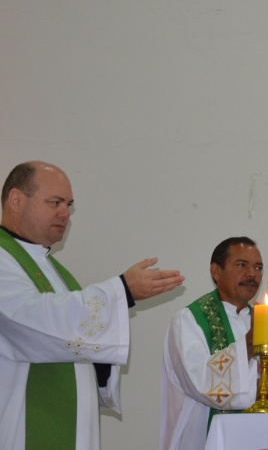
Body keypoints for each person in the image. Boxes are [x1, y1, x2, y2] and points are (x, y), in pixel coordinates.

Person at [0, 161, 185, 450]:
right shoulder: (4, 259)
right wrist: (123, 290)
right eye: (55, 202)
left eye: (69, 205)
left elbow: (68, 335)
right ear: (16, 200)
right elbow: (34, 321)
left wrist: (98, 360)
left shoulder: (54, 270)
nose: (66, 214)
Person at [161, 237, 268, 450]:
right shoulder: (189, 321)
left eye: (258, 268)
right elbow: (199, 383)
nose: (252, 274)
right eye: (241, 265)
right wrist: (250, 343)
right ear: (216, 271)